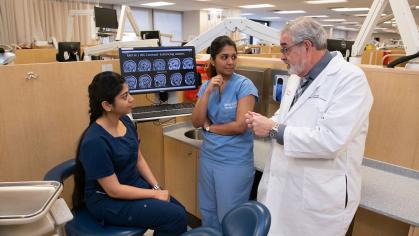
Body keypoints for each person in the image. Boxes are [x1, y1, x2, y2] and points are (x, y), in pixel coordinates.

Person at [245, 17, 373, 236]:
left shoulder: (350, 80)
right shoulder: (297, 77)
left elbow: (331, 141)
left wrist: (273, 129)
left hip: (318, 200)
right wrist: (266, 123)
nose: (282, 56)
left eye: (285, 49)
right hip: (286, 190)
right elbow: (286, 116)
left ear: (306, 46)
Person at [72, 71, 187, 236]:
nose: (131, 99)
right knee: (175, 217)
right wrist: (154, 194)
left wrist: (156, 186)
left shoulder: (125, 120)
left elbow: (138, 158)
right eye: (125, 96)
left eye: (129, 93)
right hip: (108, 200)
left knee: (179, 211)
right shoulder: (95, 141)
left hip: (131, 185)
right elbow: (114, 190)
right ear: (107, 105)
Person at [191, 35, 259, 230]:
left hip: (233, 162)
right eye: (224, 57)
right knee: (208, 212)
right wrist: (207, 92)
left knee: (230, 217)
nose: (230, 62)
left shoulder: (244, 86)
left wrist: (210, 127)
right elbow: (196, 121)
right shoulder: (207, 86)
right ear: (213, 60)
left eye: (233, 57)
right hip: (209, 158)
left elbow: (240, 126)